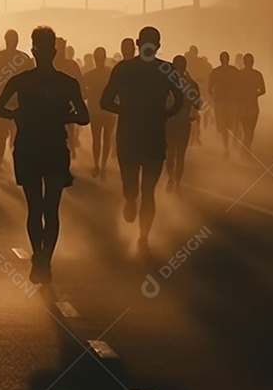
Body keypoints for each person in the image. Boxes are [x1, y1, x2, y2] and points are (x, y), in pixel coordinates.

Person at [0, 26, 89, 283]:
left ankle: (40, 257)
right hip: (54, 148)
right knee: (50, 209)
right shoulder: (67, 83)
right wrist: (63, 116)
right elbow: (84, 117)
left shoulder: (22, 80)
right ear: (54, 51)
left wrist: (17, 114)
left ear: (33, 50)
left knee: (35, 208)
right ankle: (44, 259)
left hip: (30, 147)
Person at [100, 27, 184, 253]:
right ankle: (142, 234)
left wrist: (126, 110)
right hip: (152, 134)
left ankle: (142, 235)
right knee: (145, 192)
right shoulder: (166, 70)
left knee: (140, 190)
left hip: (131, 134)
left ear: (138, 42)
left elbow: (105, 101)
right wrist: (165, 113)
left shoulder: (124, 69)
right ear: (158, 45)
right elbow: (179, 99)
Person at [0, 29, 33, 170]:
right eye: (10, 40)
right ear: (6, 41)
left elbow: (33, 80)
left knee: (17, 136)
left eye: (13, 40)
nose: (11, 42)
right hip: (4, 102)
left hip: (20, 102)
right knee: (3, 135)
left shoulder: (24, 58)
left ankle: (14, 164)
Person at [164, 55, 202, 193]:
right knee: (179, 155)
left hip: (170, 123)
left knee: (171, 154)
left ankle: (172, 179)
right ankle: (176, 182)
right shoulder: (191, 84)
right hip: (182, 123)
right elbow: (198, 104)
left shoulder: (166, 83)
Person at [82, 46, 116, 179]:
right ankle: (101, 165)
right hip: (105, 111)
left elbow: (83, 93)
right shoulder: (110, 74)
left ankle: (98, 165)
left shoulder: (90, 75)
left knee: (98, 140)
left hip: (98, 111)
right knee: (105, 140)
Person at [54, 37, 84, 159]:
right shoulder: (50, 64)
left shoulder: (71, 64)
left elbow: (80, 82)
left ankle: (70, 151)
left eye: (62, 47)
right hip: (51, 105)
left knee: (70, 132)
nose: (60, 50)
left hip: (68, 105)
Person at [208, 51, 240, 159]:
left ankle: (230, 145)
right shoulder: (232, 71)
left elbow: (209, 89)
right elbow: (210, 88)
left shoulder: (217, 71)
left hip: (227, 102)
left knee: (228, 126)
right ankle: (227, 147)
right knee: (227, 126)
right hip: (225, 102)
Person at [236, 53, 266, 154]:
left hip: (252, 106)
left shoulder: (257, 74)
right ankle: (245, 150)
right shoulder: (239, 74)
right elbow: (234, 89)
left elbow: (263, 90)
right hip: (243, 107)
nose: (249, 63)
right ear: (244, 62)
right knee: (247, 130)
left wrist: (254, 94)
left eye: (251, 61)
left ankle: (246, 148)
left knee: (250, 130)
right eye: (248, 61)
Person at [185, 45, 212, 146]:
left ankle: (195, 137)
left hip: (193, 89)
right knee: (193, 115)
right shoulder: (189, 61)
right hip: (189, 88)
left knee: (195, 115)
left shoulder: (194, 62)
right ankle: (195, 137)